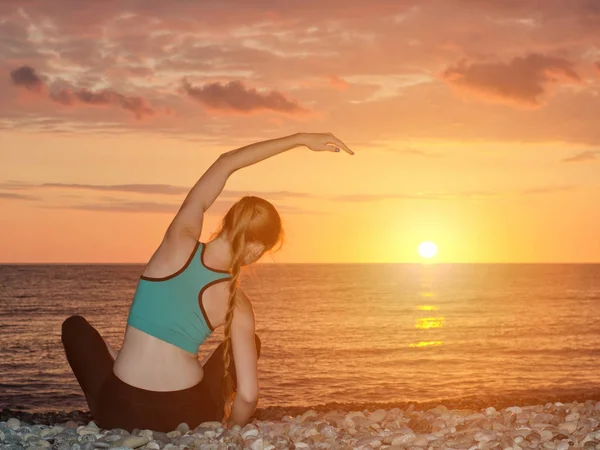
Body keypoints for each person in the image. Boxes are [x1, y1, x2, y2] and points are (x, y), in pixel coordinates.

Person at [60, 132, 354, 432]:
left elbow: (225, 163)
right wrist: (228, 431)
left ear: (227, 222)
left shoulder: (178, 242)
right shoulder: (238, 304)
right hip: (189, 415)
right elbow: (249, 396)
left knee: (75, 328)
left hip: (121, 410)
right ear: (256, 248)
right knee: (248, 343)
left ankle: (106, 400)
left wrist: (300, 139)